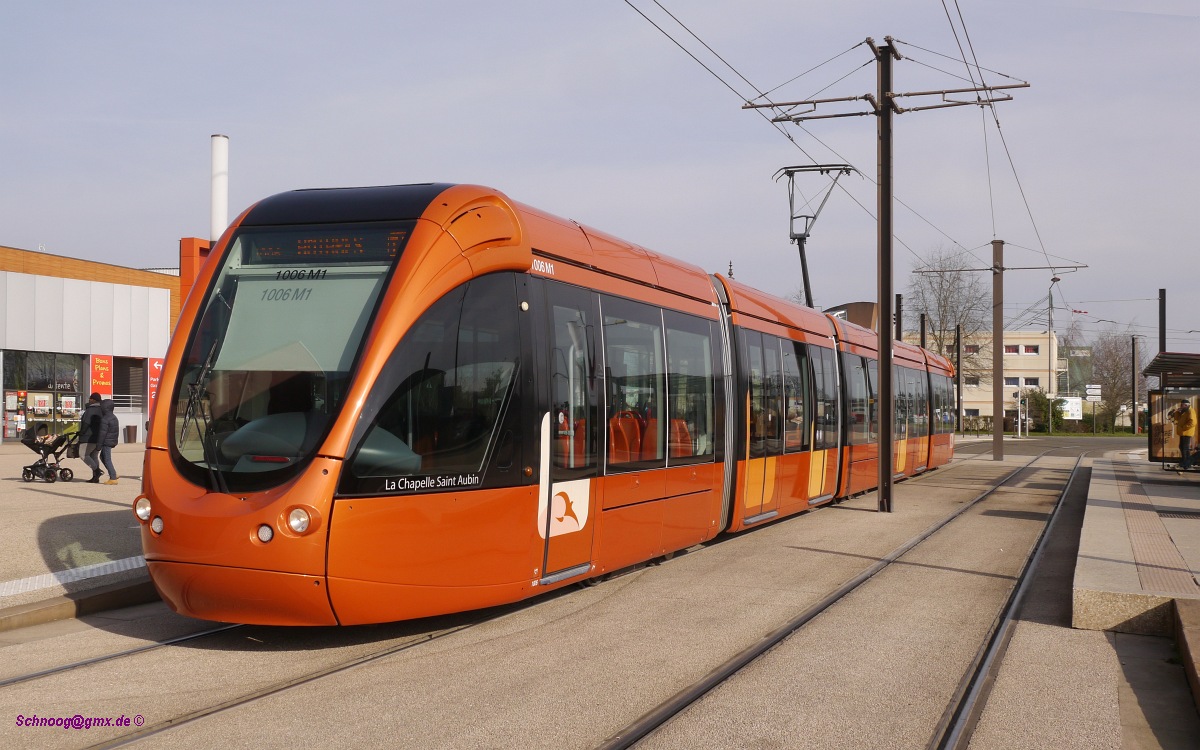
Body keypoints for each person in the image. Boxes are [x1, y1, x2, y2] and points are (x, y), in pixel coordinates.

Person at [78, 392, 104, 483]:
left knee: (83, 454)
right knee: (94, 456)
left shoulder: (90, 410)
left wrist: (81, 433)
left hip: (88, 438)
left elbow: (86, 423)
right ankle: (95, 477)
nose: (89, 400)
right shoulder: (102, 410)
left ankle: (97, 471)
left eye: (90, 398)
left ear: (93, 400)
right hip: (99, 438)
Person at [1169, 398, 1197, 471]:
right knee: (1182, 447)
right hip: (1183, 432)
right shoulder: (1184, 411)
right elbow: (1177, 420)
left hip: (1186, 432)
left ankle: (1186, 463)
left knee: (1184, 448)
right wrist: (1177, 412)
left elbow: (1193, 422)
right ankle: (1186, 462)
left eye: (1182, 405)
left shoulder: (1190, 411)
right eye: (1181, 405)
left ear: (1186, 405)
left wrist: (1183, 428)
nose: (1180, 406)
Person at [97, 398, 120, 485]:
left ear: (104, 408)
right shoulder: (114, 417)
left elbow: (102, 434)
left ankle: (113, 478)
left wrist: (98, 446)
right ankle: (113, 473)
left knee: (107, 459)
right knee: (102, 457)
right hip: (111, 440)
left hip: (106, 442)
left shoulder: (105, 419)